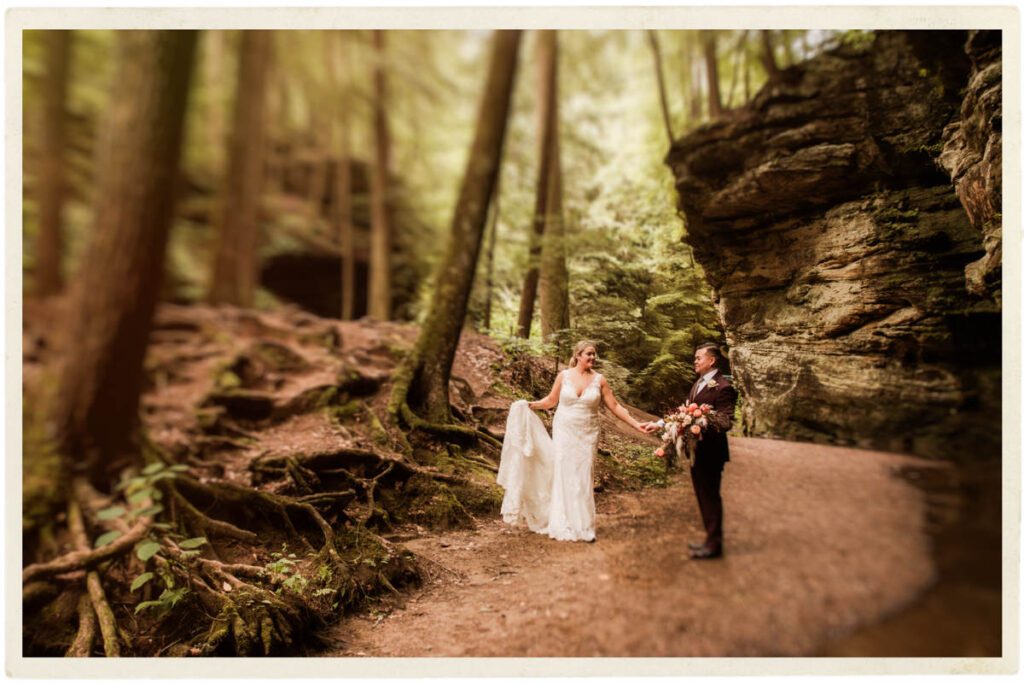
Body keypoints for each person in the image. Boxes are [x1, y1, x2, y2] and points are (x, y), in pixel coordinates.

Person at [497, 341, 652, 542]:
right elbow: (551, 401)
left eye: (595, 354)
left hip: (587, 433)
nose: (593, 358)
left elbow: (615, 406)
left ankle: (584, 526)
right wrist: (530, 405)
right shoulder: (564, 376)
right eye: (589, 354)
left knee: (583, 475)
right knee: (563, 472)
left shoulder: (600, 380)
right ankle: (562, 522)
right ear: (578, 355)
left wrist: (636, 424)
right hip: (564, 431)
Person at [645, 343, 738, 559]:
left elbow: (726, 420)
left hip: (712, 452)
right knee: (702, 495)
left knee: (710, 496)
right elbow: (684, 410)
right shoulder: (698, 384)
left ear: (712, 360)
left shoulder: (723, 387)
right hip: (697, 452)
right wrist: (659, 424)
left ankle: (714, 545)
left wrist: (702, 421)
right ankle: (710, 539)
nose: (695, 361)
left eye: (698, 358)